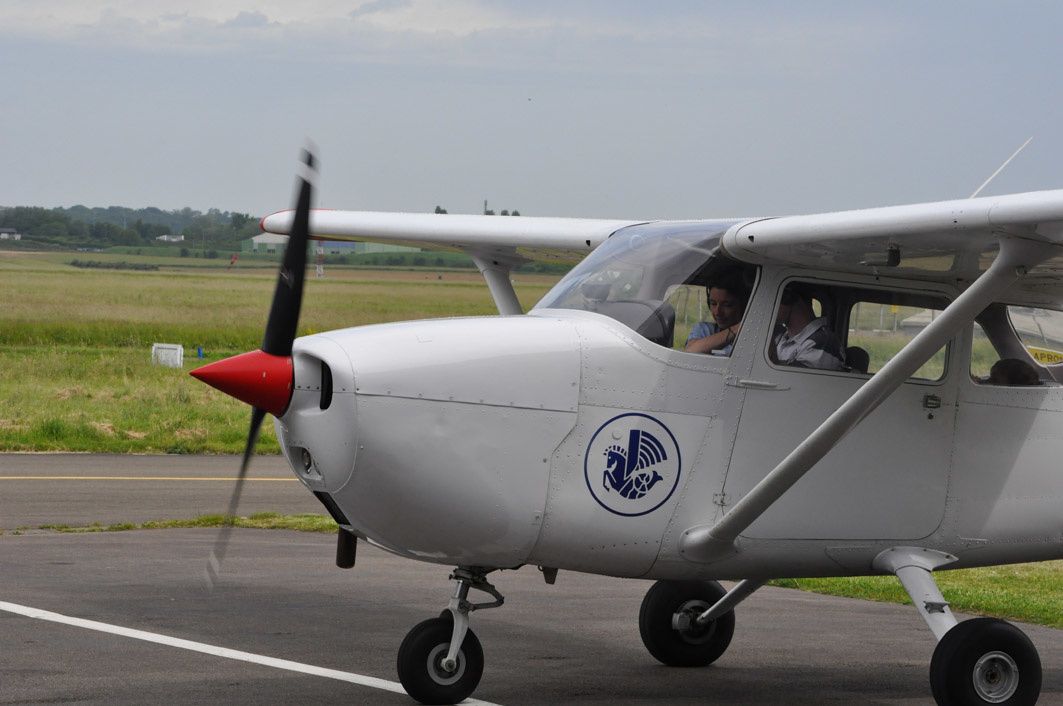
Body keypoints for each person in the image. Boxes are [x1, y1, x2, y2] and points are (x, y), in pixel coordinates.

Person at [773, 287, 846, 370]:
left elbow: (793, 377)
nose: (769, 307)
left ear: (788, 298)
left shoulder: (824, 343)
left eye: (774, 300)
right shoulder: (781, 338)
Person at [684, 271, 750, 355]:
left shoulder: (752, 336)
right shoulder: (704, 330)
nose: (717, 312)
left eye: (727, 305)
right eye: (713, 304)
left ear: (742, 305)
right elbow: (691, 350)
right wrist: (738, 328)